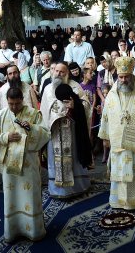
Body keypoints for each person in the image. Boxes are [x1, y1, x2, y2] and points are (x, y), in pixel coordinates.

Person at [0, 87, 50, 243]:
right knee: (11, 197)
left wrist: (31, 129)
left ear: (22, 100)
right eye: (10, 103)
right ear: (7, 101)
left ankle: (33, 230)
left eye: (17, 103)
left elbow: (45, 134)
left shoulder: (33, 114)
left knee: (31, 195)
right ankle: (13, 231)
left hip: (29, 165)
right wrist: (5, 137)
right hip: (10, 168)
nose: (14, 107)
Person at [98, 56, 135, 209]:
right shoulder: (112, 93)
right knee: (120, 169)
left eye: (126, 77)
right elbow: (106, 115)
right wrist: (105, 137)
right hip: (118, 141)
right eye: (120, 77)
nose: (123, 80)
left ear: (131, 75)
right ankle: (120, 201)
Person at [40, 62, 92, 198]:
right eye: (56, 71)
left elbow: (86, 105)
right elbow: (44, 111)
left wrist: (76, 106)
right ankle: (57, 190)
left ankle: (77, 187)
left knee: (73, 159)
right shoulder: (47, 89)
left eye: (62, 72)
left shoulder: (75, 86)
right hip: (55, 132)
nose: (58, 74)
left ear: (67, 73)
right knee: (55, 160)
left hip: (72, 131)